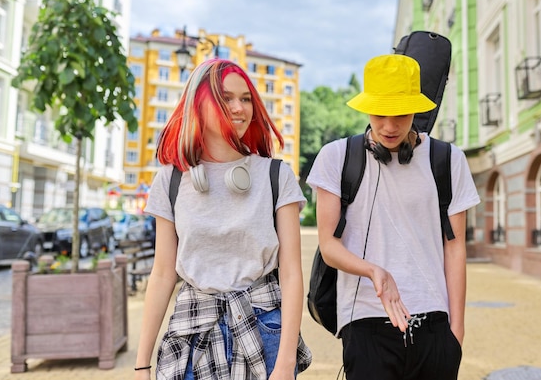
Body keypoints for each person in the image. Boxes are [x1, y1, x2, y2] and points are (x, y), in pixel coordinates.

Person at [134, 59, 311, 380]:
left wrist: (286, 362)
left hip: (264, 329)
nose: (239, 107)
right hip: (192, 331)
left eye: (246, 99)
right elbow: (161, 274)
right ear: (199, 104)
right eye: (226, 98)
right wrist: (141, 364)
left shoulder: (276, 176)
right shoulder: (170, 180)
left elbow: (292, 274)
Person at [306, 54, 480, 380]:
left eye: (400, 113)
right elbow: (329, 245)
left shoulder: (448, 160)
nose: (389, 125)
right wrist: (373, 271)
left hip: (435, 326)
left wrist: (456, 331)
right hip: (365, 322)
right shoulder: (337, 158)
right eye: (379, 112)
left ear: (417, 107)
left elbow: (454, 247)